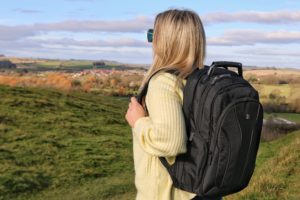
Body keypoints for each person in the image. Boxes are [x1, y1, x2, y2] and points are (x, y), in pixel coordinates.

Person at [125, 8, 220, 200]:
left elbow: (171, 142)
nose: (151, 41)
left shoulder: (164, 82)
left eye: (153, 34)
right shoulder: (202, 80)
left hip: (168, 194)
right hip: (201, 189)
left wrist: (138, 122)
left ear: (164, 41)